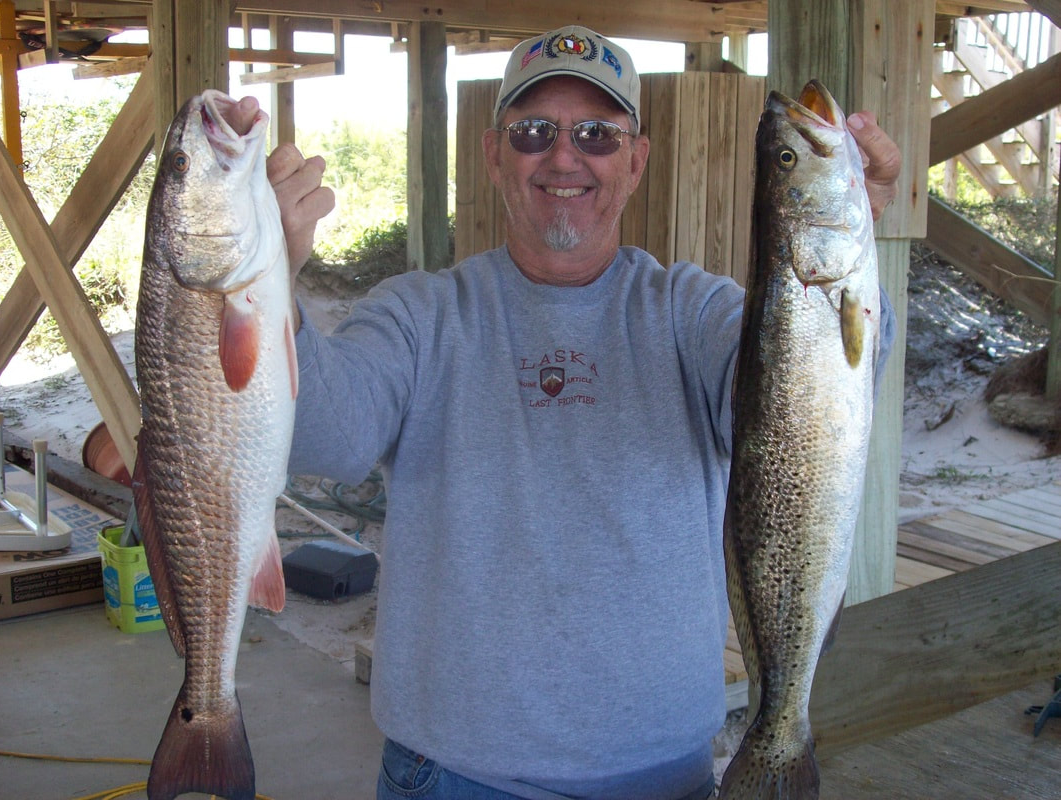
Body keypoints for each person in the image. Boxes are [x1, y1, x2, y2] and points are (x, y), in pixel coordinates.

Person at [233, 24, 901, 800]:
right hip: (449, 777)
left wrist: (850, 251)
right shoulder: (420, 314)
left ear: (636, 161)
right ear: (493, 155)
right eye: (532, 133)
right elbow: (326, 436)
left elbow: (801, 407)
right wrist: (263, 284)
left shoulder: (698, 314)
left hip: (666, 779)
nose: (563, 156)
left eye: (596, 134)